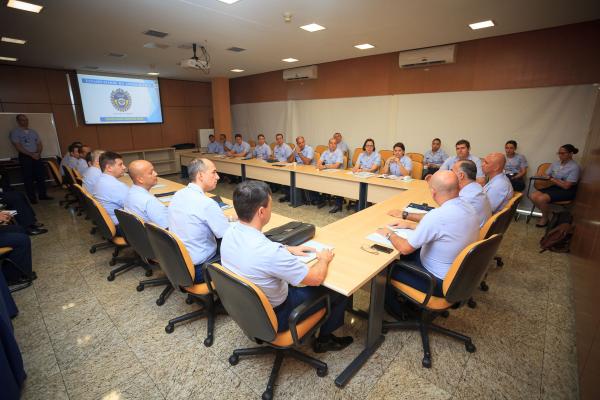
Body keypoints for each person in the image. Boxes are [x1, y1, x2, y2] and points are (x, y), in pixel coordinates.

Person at [221, 180, 353, 353]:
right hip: (279, 315)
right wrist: (324, 259)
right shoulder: (270, 252)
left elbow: (261, 247)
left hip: (246, 308)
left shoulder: (229, 232)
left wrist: (289, 248)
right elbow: (315, 278)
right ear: (261, 211)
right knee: (339, 290)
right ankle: (325, 340)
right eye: (270, 206)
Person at [376, 171, 479, 317]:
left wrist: (388, 233)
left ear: (433, 192)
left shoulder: (437, 216)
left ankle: (399, 313)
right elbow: (445, 230)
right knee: (406, 254)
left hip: (436, 283)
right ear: (459, 188)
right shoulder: (469, 208)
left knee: (384, 267)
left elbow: (405, 248)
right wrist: (410, 226)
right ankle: (408, 302)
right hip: (459, 278)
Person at [168, 158, 229, 282]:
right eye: (214, 172)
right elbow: (226, 235)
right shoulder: (207, 204)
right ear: (200, 175)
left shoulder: (178, 194)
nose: (217, 177)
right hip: (200, 269)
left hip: (179, 263)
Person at [529, 144, 580, 228]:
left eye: (563, 153)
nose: (560, 155)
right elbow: (547, 175)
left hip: (567, 190)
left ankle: (545, 218)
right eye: (559, 153)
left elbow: (566, 186)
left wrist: (552, 179)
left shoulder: (575, 167)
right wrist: (540, 175)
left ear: (570, 154)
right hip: (556, 186)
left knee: (541, 199)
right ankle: (550, 216)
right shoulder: (556, 163)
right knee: (533, 195)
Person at [8, 114, 52, 203]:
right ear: (18, 121)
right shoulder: (15, 132)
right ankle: (32, 198)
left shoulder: (33, 132)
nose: (25, 121)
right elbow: (18, 146)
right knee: (28, 178)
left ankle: (42, 195)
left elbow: (39, 144)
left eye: (26, 119)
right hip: (25, 157)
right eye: (23, 120)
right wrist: (31, 154)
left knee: (40, 176)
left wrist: (38, 153)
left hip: (37, 156)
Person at [124, 160, 168, 228]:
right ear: (140, 179)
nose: (156, 174)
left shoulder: (130, 192)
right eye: (151, 172)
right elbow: (167, 226)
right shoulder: (149, 201)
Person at [91, 151, 128, 230]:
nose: (124, 167)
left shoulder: (100, 180)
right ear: (109, 168)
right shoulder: (116, 186)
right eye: (120, 164)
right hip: (120, 226)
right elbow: (135, 208)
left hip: (107, 223)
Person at [452, 160, 492, 227]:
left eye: (452, 172)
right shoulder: (477, 188)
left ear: (461, 175)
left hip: (470, 235)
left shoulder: (465, 199)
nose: (450, 175)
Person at [317, 138, 345, 213]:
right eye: (331, 143)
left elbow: (336, 166)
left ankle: (338, 205)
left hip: (338, 174)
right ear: (328, 144)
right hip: (327, 173)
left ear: (336, 144)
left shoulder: (339, 152)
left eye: (335, 143)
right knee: (321, 180)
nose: (333, 145)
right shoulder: (325, 152)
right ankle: (323, 200)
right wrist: (320, 165)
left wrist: (325, 166)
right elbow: (319, 163)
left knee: (337, 185)